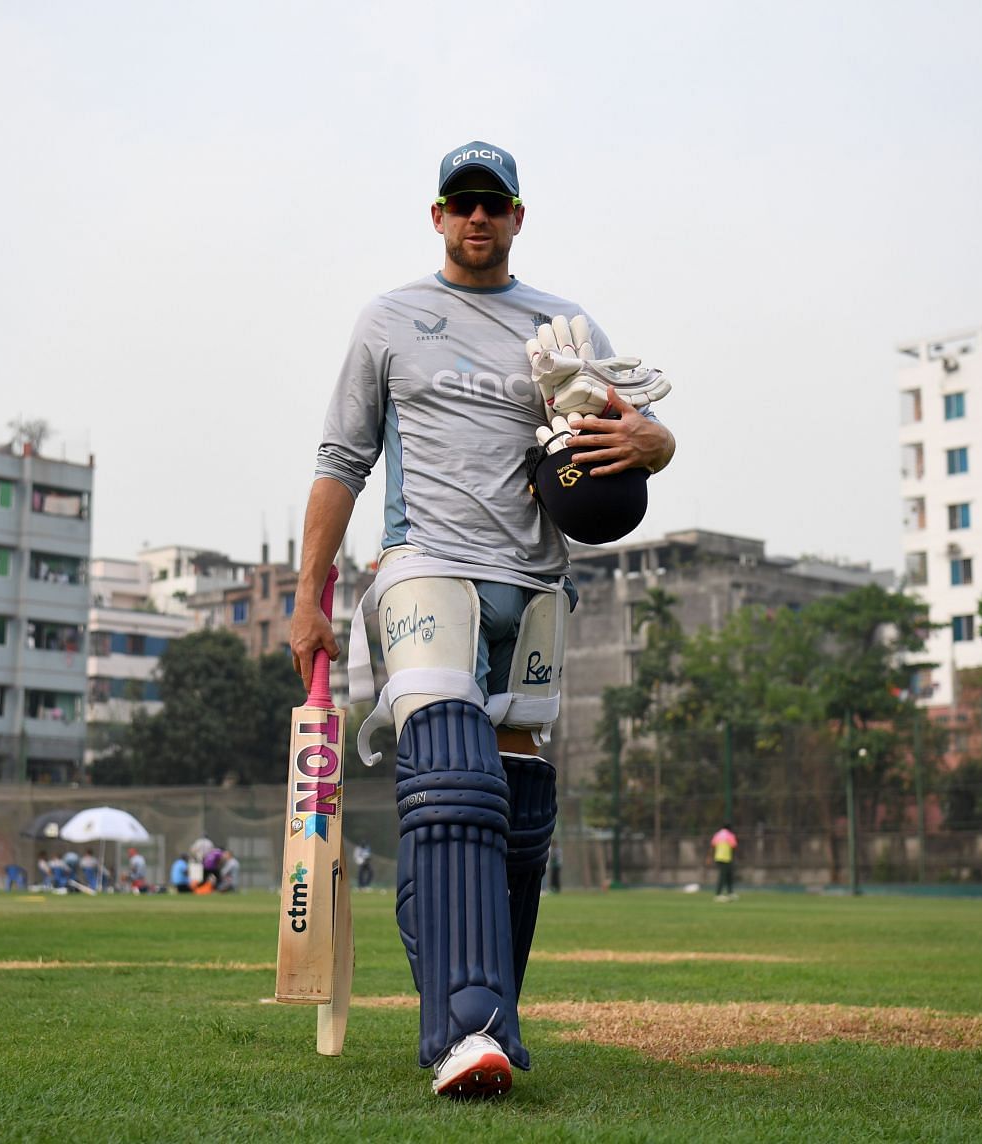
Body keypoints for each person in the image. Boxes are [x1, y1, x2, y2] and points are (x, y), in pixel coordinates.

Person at [289, 140, 676, 1100]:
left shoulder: (564, 324)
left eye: (492, 204)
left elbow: (625, 440)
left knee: (516, 810)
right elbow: (342, 458)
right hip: (427, 565)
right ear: (436, 216)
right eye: (460, 203)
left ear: (516, 215)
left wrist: (654, 441)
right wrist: (309, 596)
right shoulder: (390, 319)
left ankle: (487, 1011)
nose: (476, 218)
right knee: (455, 777)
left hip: (537, 581)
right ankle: (466, 1026)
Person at [709, 824, 739, 902]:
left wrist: (709, 857)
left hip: (718, 858)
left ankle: (730, 893)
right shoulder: (730, 835)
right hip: (726, 858)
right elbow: (734, 846)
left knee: (727, 875)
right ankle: (718, 894)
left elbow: (712, 846)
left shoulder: (717, 834)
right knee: (724, 876)